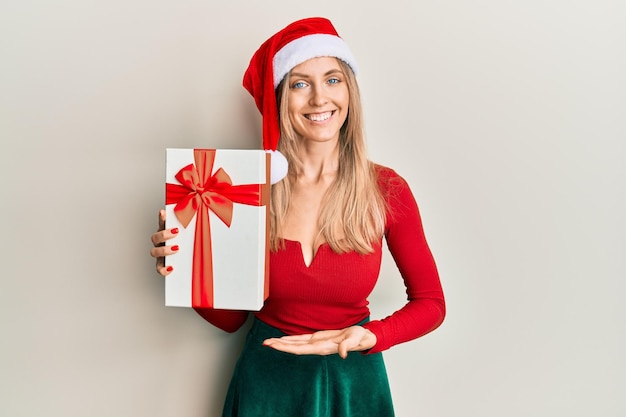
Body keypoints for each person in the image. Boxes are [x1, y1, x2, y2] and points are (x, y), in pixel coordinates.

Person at [150, 17, 445, 417]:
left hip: (353, 383)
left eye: (333, 79)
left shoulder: (387, 189)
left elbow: (431, 303)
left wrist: (368, 337)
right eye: (300, 83)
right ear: (278, 100)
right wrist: (182, 264)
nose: (320, 99)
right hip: (267, 385)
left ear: (350, 91)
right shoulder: (243, 191)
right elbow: (232, 320)